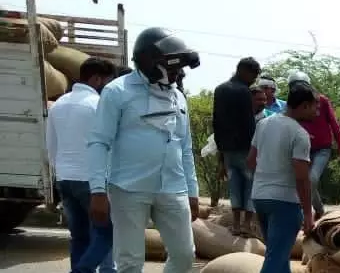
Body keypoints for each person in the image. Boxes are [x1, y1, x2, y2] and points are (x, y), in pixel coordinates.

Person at [87, 27, 201, 273]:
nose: (178, 74)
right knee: (130, 261)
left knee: (184, 255)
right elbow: (99, 142)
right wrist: (97, 190)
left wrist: (193, 191)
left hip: (173, 187)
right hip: (128, 188)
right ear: (151, 63)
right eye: (173, 69)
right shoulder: (117, 92)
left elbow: (185, 147)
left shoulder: (178, 98)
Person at [47, 57, 117, 273]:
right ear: (97, 79)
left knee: (79, 236)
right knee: (106, 232)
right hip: (91, 180)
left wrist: (58, 172)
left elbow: (50, 144)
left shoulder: (58, 104)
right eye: (108, 81)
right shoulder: (97, 105)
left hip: (65, 178)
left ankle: (82, 268)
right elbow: (109, 145)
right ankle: (84, 271)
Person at [247, 81, 319, 273]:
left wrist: (266, 178)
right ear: (304, 105)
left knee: (279, 256)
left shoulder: (263, 123)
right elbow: (301, 178)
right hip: (285, 202)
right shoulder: (299, 134)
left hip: (260, 198)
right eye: (315, 106)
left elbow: (251, 161)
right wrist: (308, 214)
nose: (317, 112)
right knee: (275, 258)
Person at [286, 71, 340, 221]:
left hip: (322, 149)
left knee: (311, 179)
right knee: (306, 180)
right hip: (304, 148)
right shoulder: (293, 105)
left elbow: (333, 122)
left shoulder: (321, 101)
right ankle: (319, 210)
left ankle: (300, 212)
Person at [212, 57, 261, 236]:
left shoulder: (220, 89)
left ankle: (236, 224)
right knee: (250, 184)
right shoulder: (243, 92)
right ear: (244, 71)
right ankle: (247, 226)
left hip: (227, 149)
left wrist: (220, 151)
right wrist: (255, 148)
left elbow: (216, 121)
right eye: (254, 74)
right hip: (245, 147)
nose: (254, 79)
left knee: (234, 185)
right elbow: (248, 123)